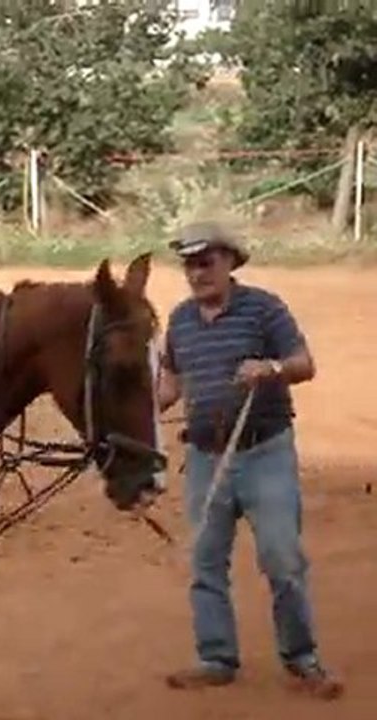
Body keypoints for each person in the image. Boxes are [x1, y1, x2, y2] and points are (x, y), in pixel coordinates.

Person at [157, 221, 343, 699]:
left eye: (206, 263)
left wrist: (272, 368)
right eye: (190, 265)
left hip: (266, 453)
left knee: (282, 558)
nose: (197, 274)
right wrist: (132, 411)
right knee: (205, 561)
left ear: (230, 262)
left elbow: (305, 362)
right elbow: (169, 387)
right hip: (205, 456)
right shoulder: (179, 320)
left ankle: (302, 660)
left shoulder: (263, 308)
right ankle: (216, 657)